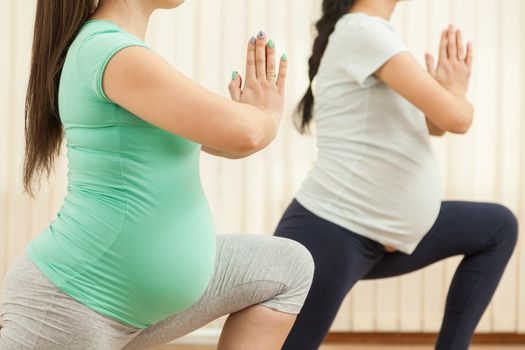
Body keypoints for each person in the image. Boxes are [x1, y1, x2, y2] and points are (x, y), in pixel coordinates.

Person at [0, 0, 314, 349]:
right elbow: (248, 135)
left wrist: (249, 118)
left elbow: (226, 141)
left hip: (129, 299)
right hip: (73, 304)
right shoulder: (110, 51)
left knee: (286, 267)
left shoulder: (122, 51)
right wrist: (264, 115)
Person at [274, 0, 518, 349]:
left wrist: (449, 93)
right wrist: (457, 97)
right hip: (332, 232)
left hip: (384, 234)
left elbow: (433, 125)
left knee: (497, 227)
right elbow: (457, 119)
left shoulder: (374, 35)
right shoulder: (364, 31)